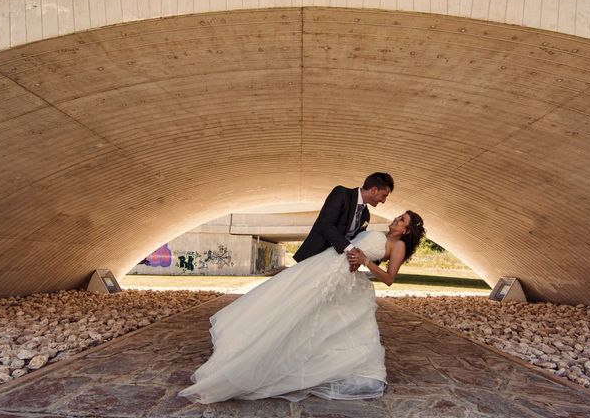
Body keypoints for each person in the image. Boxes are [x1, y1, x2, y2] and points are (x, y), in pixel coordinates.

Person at [178, 210, 426, 404]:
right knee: (291, 308)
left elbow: (390, 278)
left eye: (401, 219)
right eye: (399, 216)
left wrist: (364, 262)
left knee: (318, 321)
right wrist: (356, 258)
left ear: (407, 229)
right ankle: (266, 351)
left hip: (339, 281)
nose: (395, 219)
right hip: (326, 269)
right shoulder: (378, 233)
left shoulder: (398, 246)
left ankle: (321, 366)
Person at [293, 172, 394, 264]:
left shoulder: (366, 215)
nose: (383, 201)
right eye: (384, 195)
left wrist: (376, 257)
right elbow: (325, 224)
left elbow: (358, 240)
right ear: (374, 190)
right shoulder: (341, 193)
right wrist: (350, 249)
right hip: (313, 256)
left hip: (334, 263)